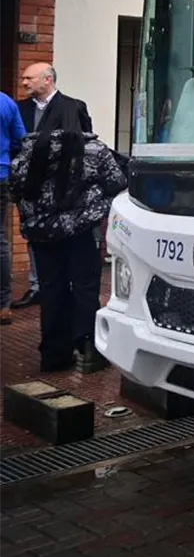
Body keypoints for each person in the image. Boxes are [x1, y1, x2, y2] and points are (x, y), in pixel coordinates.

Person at [9, 129, 126, 371]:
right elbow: (117, 183)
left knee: (52, 289)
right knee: (85, 287)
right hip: (82, 230)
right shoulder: (94, 150)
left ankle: (54, 355)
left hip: (43, 233)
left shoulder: (29, 151)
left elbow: (16, 188)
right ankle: (88, 350)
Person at [12, 63, 92, 309]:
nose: (24, 83)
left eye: (29, 78)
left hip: (63, 189)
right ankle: (37, 285)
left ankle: (60, 285)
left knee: (63, 237)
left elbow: (86, 143)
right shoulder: (19, 109)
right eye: (23, 78)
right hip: (30, 186)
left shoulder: (73, 106)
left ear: (47, 80)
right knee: (34, 233)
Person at [0, 89, 26, 325]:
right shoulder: (6, 103)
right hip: (1, 175)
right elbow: (21, 140)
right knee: (1, 241)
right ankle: (3, 305)